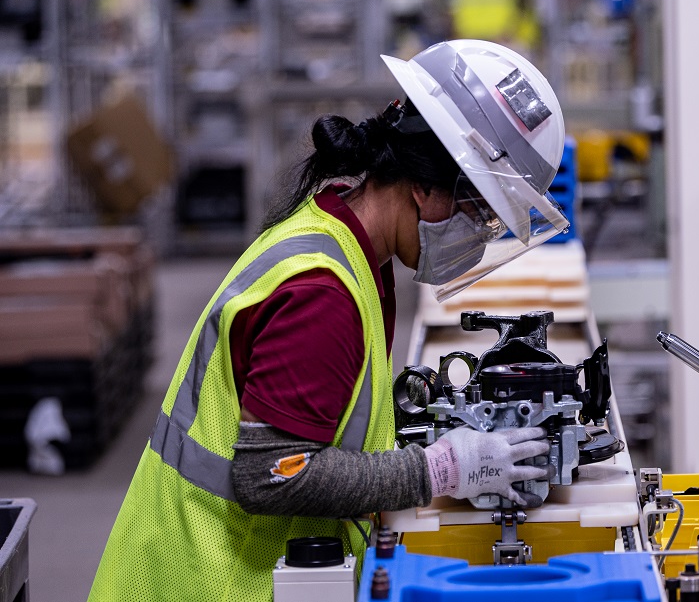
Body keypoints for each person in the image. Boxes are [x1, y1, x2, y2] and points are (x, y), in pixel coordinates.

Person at [88, 39, 570, 602]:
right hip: (202, 579)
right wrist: (437, 470)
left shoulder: (348, 244)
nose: (480, 232)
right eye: (478, 212)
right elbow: (272, 472)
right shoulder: (322, 291)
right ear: (424, 185)